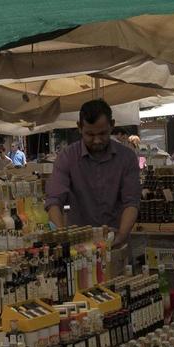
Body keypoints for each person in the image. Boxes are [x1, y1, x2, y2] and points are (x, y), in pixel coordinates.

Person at [45, 100, 141, 244]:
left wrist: (121, 235)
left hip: (116, 242)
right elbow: (54, 201)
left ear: (112, 125)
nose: (96, 140)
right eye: (89, 134)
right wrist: (61, 237)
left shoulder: (127, 158)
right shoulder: (67, 157)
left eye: (102, 133)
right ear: (79, 127)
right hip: (78, 247)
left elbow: (131, 202)